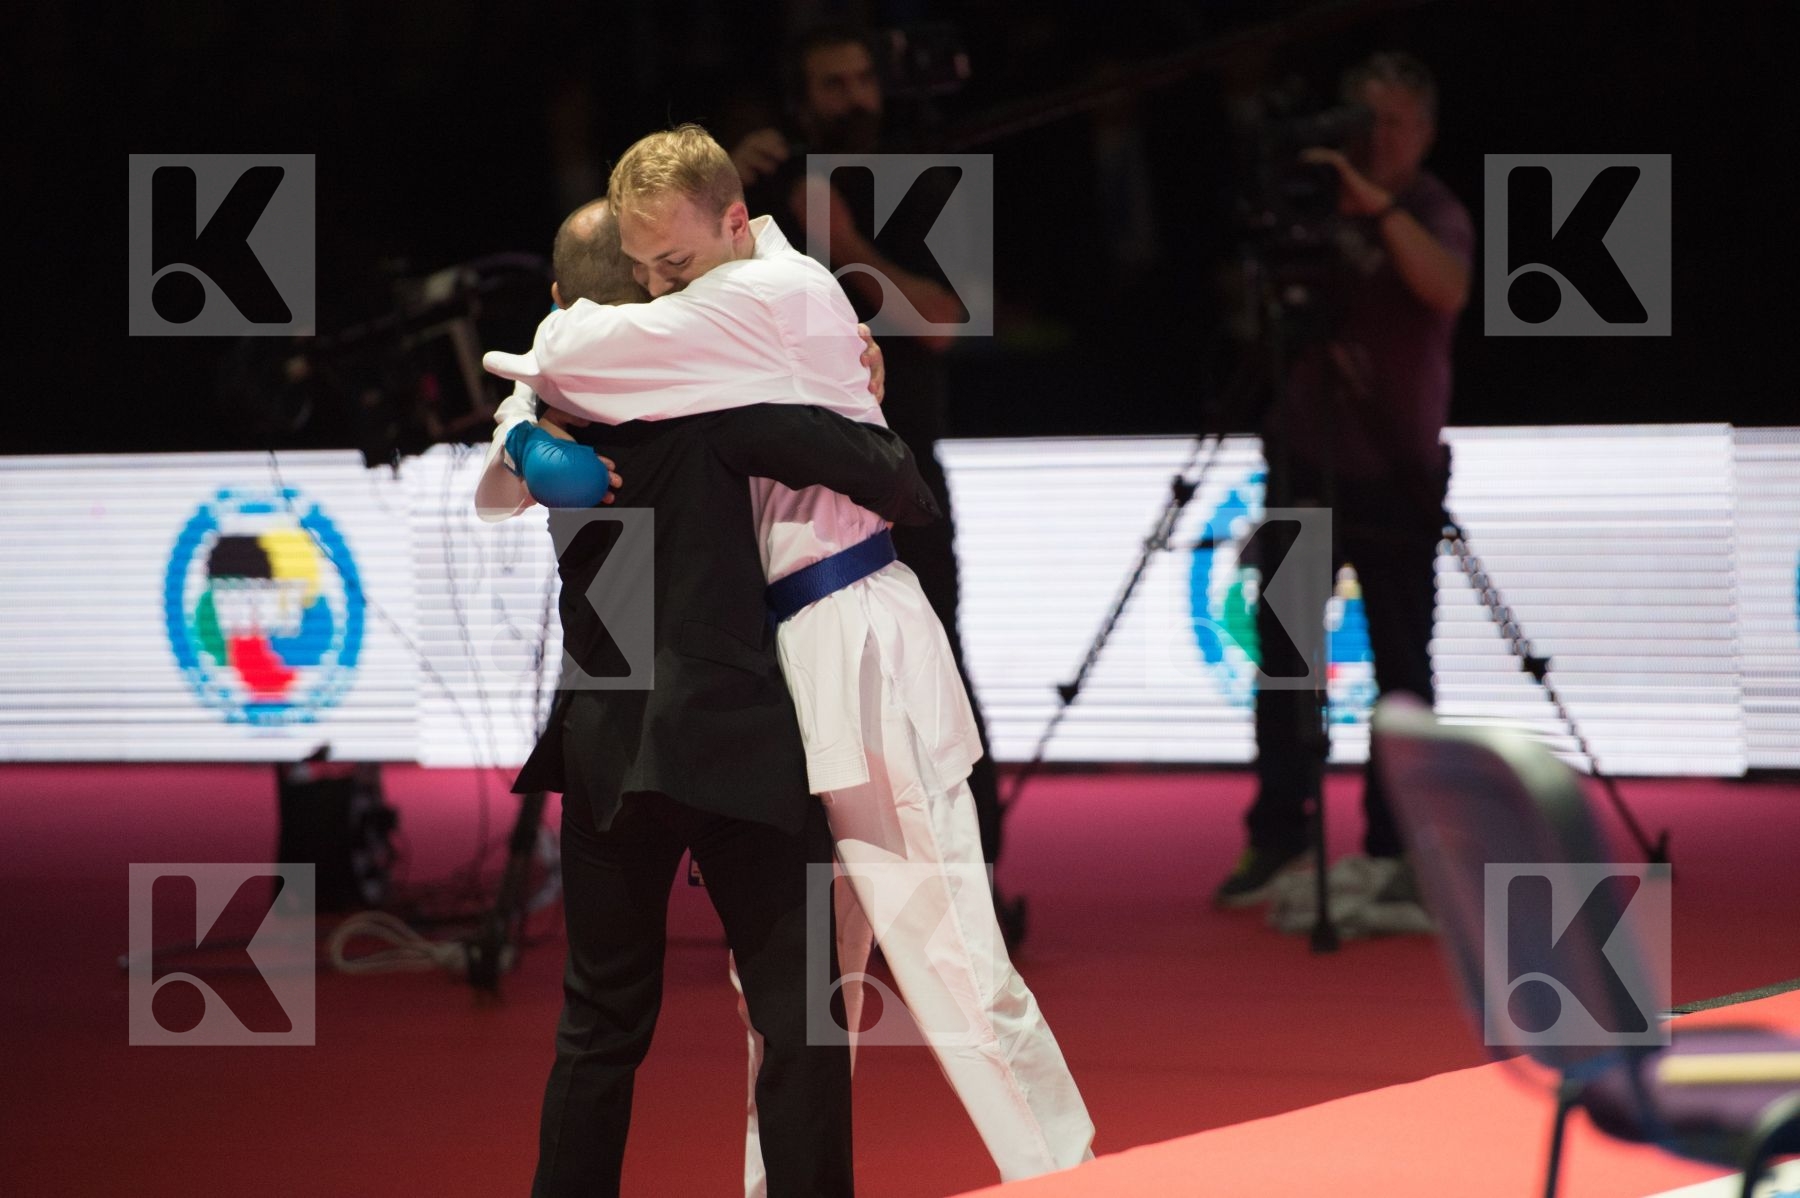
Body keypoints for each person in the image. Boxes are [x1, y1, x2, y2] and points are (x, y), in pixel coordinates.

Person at [484, 125, 1095, 1189]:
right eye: (647, 275)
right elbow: (572, 363)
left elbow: (563, 352)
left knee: (948, 953)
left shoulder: (771, 295)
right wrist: (521, 430)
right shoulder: (702, 328)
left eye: (673, 264)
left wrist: (518, 420)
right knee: (797, 994)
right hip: (779, 674)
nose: (661, 290)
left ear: (732, 220)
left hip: (854, 633)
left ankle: (1078, 1175)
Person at [503, 195, 945, 1198]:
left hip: (610, 748)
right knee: (799, 1021)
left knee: (598, 1026)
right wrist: (853, 377)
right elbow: (896, 482)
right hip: (738, 747)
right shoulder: (723, 404)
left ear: (566, 302)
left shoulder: (545, 424)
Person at [728, 26, 1014, 916]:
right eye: (831, 83)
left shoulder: (930, 175)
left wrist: (844, 242)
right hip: (778, 484)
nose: (853, 97)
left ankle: (973, 884)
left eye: (862, 79)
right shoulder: (759, 187)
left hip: (899, 472)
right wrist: (727, 188)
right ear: (800, 94)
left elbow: (943, 324)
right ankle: (810, 893)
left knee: (932, 670)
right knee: (787, 685)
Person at [1214, 51, 1474, 908]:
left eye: (1396, 123)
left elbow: (1443, 288)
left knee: (1403, 670)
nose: (1378, 137)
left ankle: (1400, 849)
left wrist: (1379, 208)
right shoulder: (1309, 204)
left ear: (1425, 133)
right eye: (1365, 119)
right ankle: (1279, 836)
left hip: (1396, 469)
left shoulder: (1433, 208)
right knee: (1285, 661)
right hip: (1303, 457)